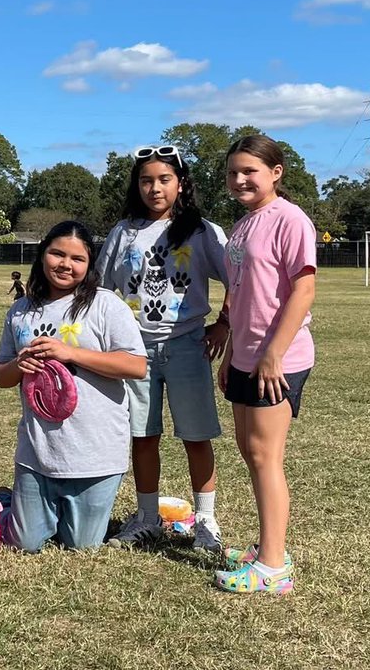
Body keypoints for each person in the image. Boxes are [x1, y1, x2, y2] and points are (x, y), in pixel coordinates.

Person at [98, 145, 230, 553]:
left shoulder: (201, 230)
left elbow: (237, 280)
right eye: (145, 180)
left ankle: (205, 520)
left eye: (164, 179)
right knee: (143, 435)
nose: (154, 188)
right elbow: (102, 290)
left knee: (196, 435)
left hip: (189, 345)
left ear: (181, 184)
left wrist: (223, 325)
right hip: (136, 351)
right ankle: (147, 517)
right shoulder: (124, 233)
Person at [0, 220, 147, 552]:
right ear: (43, 254)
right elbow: (0, 376)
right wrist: (18, 365)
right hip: (38, 453)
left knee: (81, 545)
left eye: (77, 258)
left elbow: (136, 365)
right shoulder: (21, 312)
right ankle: (8, 501)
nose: (65, 264)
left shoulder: (106, 306)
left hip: (95, 454)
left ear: (89, 264)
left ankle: (37, 505)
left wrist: (70, 352)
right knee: (24, 544)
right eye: (57, 254)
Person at [213, 135, 317, 595]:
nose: (239, 180)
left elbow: (304, 290)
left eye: (249, 171)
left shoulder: (290, 219)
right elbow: (238, 293)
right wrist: (234, 349)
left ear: (276, 172)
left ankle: (274, 568)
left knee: (265, 456)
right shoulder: (242, 225)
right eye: (233, 172)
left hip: (278, 359)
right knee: (250, 452)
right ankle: (266, 546)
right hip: (246, 356)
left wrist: (273, 354)